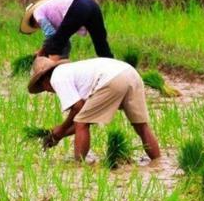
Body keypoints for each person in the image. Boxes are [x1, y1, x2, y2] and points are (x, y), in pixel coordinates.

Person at [27, 56, 161, 162]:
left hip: (112, 79)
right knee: (141, 126)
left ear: (44, 81)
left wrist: (61, 129)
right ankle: (158, 163)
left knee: (81, 123)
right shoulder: (72, 72)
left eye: (44, 88)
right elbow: (87, 118)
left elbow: (78, 111)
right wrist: (58, 135)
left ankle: (79, 166)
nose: (49, 91)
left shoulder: (57, 77)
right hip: (131, 74)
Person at [19, 0, 114, 61]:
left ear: (33, 20)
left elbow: (51, 35)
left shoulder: (37, 13)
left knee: (55, 47)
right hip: (92, 4)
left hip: (78, 6)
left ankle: (55, 73)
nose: (39, 26)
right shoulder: (51, 11)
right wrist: (43, 49)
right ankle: (114, 69)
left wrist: (40, 54)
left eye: (37, 26)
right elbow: (62, 38)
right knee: (102, 46)